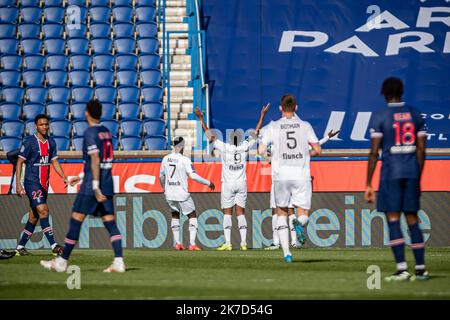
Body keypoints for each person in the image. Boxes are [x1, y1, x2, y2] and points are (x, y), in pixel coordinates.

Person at [40, 100, 126, 273]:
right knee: (110, 222)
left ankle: (62, 262)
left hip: (92, 187)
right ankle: (119, 261)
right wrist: (80, 177)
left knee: (76, 220)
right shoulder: (106, 132)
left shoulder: (90, 132)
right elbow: (101, 161)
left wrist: (94, 186)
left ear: (87, 113)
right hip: (107, 182)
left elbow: (94, 159)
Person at [365, 77, 429, 281]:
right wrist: (418, 175)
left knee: (393, 219)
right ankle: (421, 269)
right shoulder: (415, 113)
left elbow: (374, 152)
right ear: (402, 91)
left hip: (391, 174)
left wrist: (368, 182)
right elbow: (421, 150)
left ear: (384, 93)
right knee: (412, 219)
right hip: (411, 172)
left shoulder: (381, 116)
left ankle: (402, 269)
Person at [195, 104, 269, 251]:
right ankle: (243, 243)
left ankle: (228, 243)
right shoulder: (244, 147)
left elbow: (209, 135)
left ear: (230, 139)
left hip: (228, 184)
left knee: (227, 213)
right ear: (240, 139)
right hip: (241, 183)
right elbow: (256, 131)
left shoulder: (225, 147)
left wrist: (201, 119)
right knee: (241, 212)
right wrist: (262, 115)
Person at [259, 94, 321, 262]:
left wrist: (271, 158)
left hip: (281, 175)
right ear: (296, 108)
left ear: (280, 108)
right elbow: (318, 149)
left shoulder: (273, 126)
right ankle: (299, 224)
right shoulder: (304, 125)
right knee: (303, 212)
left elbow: (261, 149)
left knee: (281, 213)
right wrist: (305, 155)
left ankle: (287, 253)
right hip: (300, 174)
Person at [265, 129, 339, 250]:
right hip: (292, 182)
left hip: (278, 183)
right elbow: (313, 148)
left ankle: (276, 242)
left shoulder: (274, 146)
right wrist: (327, 138)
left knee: (276, 211)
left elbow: (267, 157)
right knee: (291, 211)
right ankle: (295, 242)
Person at [15, 114, 67, 256]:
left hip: (44, 184)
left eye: (46, 124)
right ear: (36, 126)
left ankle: (20, 247)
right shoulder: (30, 142)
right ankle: (54, 246)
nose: (44, 127)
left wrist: (62, 176)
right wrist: (18, 184)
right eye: (41, 125)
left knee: (34, 216)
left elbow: (54, 161)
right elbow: (20, 162)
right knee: (44, 210)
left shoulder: (51, 142)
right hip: (32, 182)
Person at [160, 136, 215, 251]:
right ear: (182, 146)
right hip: (182, 193)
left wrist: (164, 189)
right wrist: (208, 182)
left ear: (173, 145)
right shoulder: (185, 160)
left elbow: (161, 176)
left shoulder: (165, 159)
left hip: (169, 193)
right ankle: (192, 244)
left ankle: (178, 243)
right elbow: (193, 175)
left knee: (175, 214)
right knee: (192, 215)